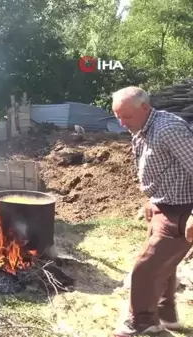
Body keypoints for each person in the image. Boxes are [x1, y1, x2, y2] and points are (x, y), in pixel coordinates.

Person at [111, 86, 193, 336]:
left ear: (145, 107)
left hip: (182, 211)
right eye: (118, 117)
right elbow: (161, 169)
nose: (122, 123)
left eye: (127, 116)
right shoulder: (141, 128)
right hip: (164, 205)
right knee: (162, 265)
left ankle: (142, 322)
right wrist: (152, 200)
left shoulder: (169, 129)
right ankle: (166, 316)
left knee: (145, 268)